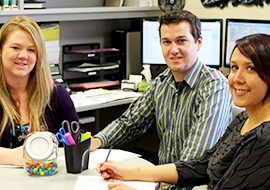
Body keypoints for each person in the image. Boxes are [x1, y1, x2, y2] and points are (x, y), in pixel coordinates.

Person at [97, 33, 270, 190]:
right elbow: (201, 166)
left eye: (251, 68)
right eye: (234, 67)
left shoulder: (264, 139)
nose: (237, 79)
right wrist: (128, 172)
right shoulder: (245, 119)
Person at [91, 9, 232, 189]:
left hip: (197, 185)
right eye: (166, 42)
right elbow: (130, 122)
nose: (173, 50)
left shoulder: (214, 86)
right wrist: (96, 141)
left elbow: (192, 165)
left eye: (181, 41)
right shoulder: (162, 82)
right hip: (164, 179)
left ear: (198, 43)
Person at [0, 16, 79, 166]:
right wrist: (11, 156)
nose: (23, 56)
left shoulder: (55, 93)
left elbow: (75, 141)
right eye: (15, 47)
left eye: (31, 50)